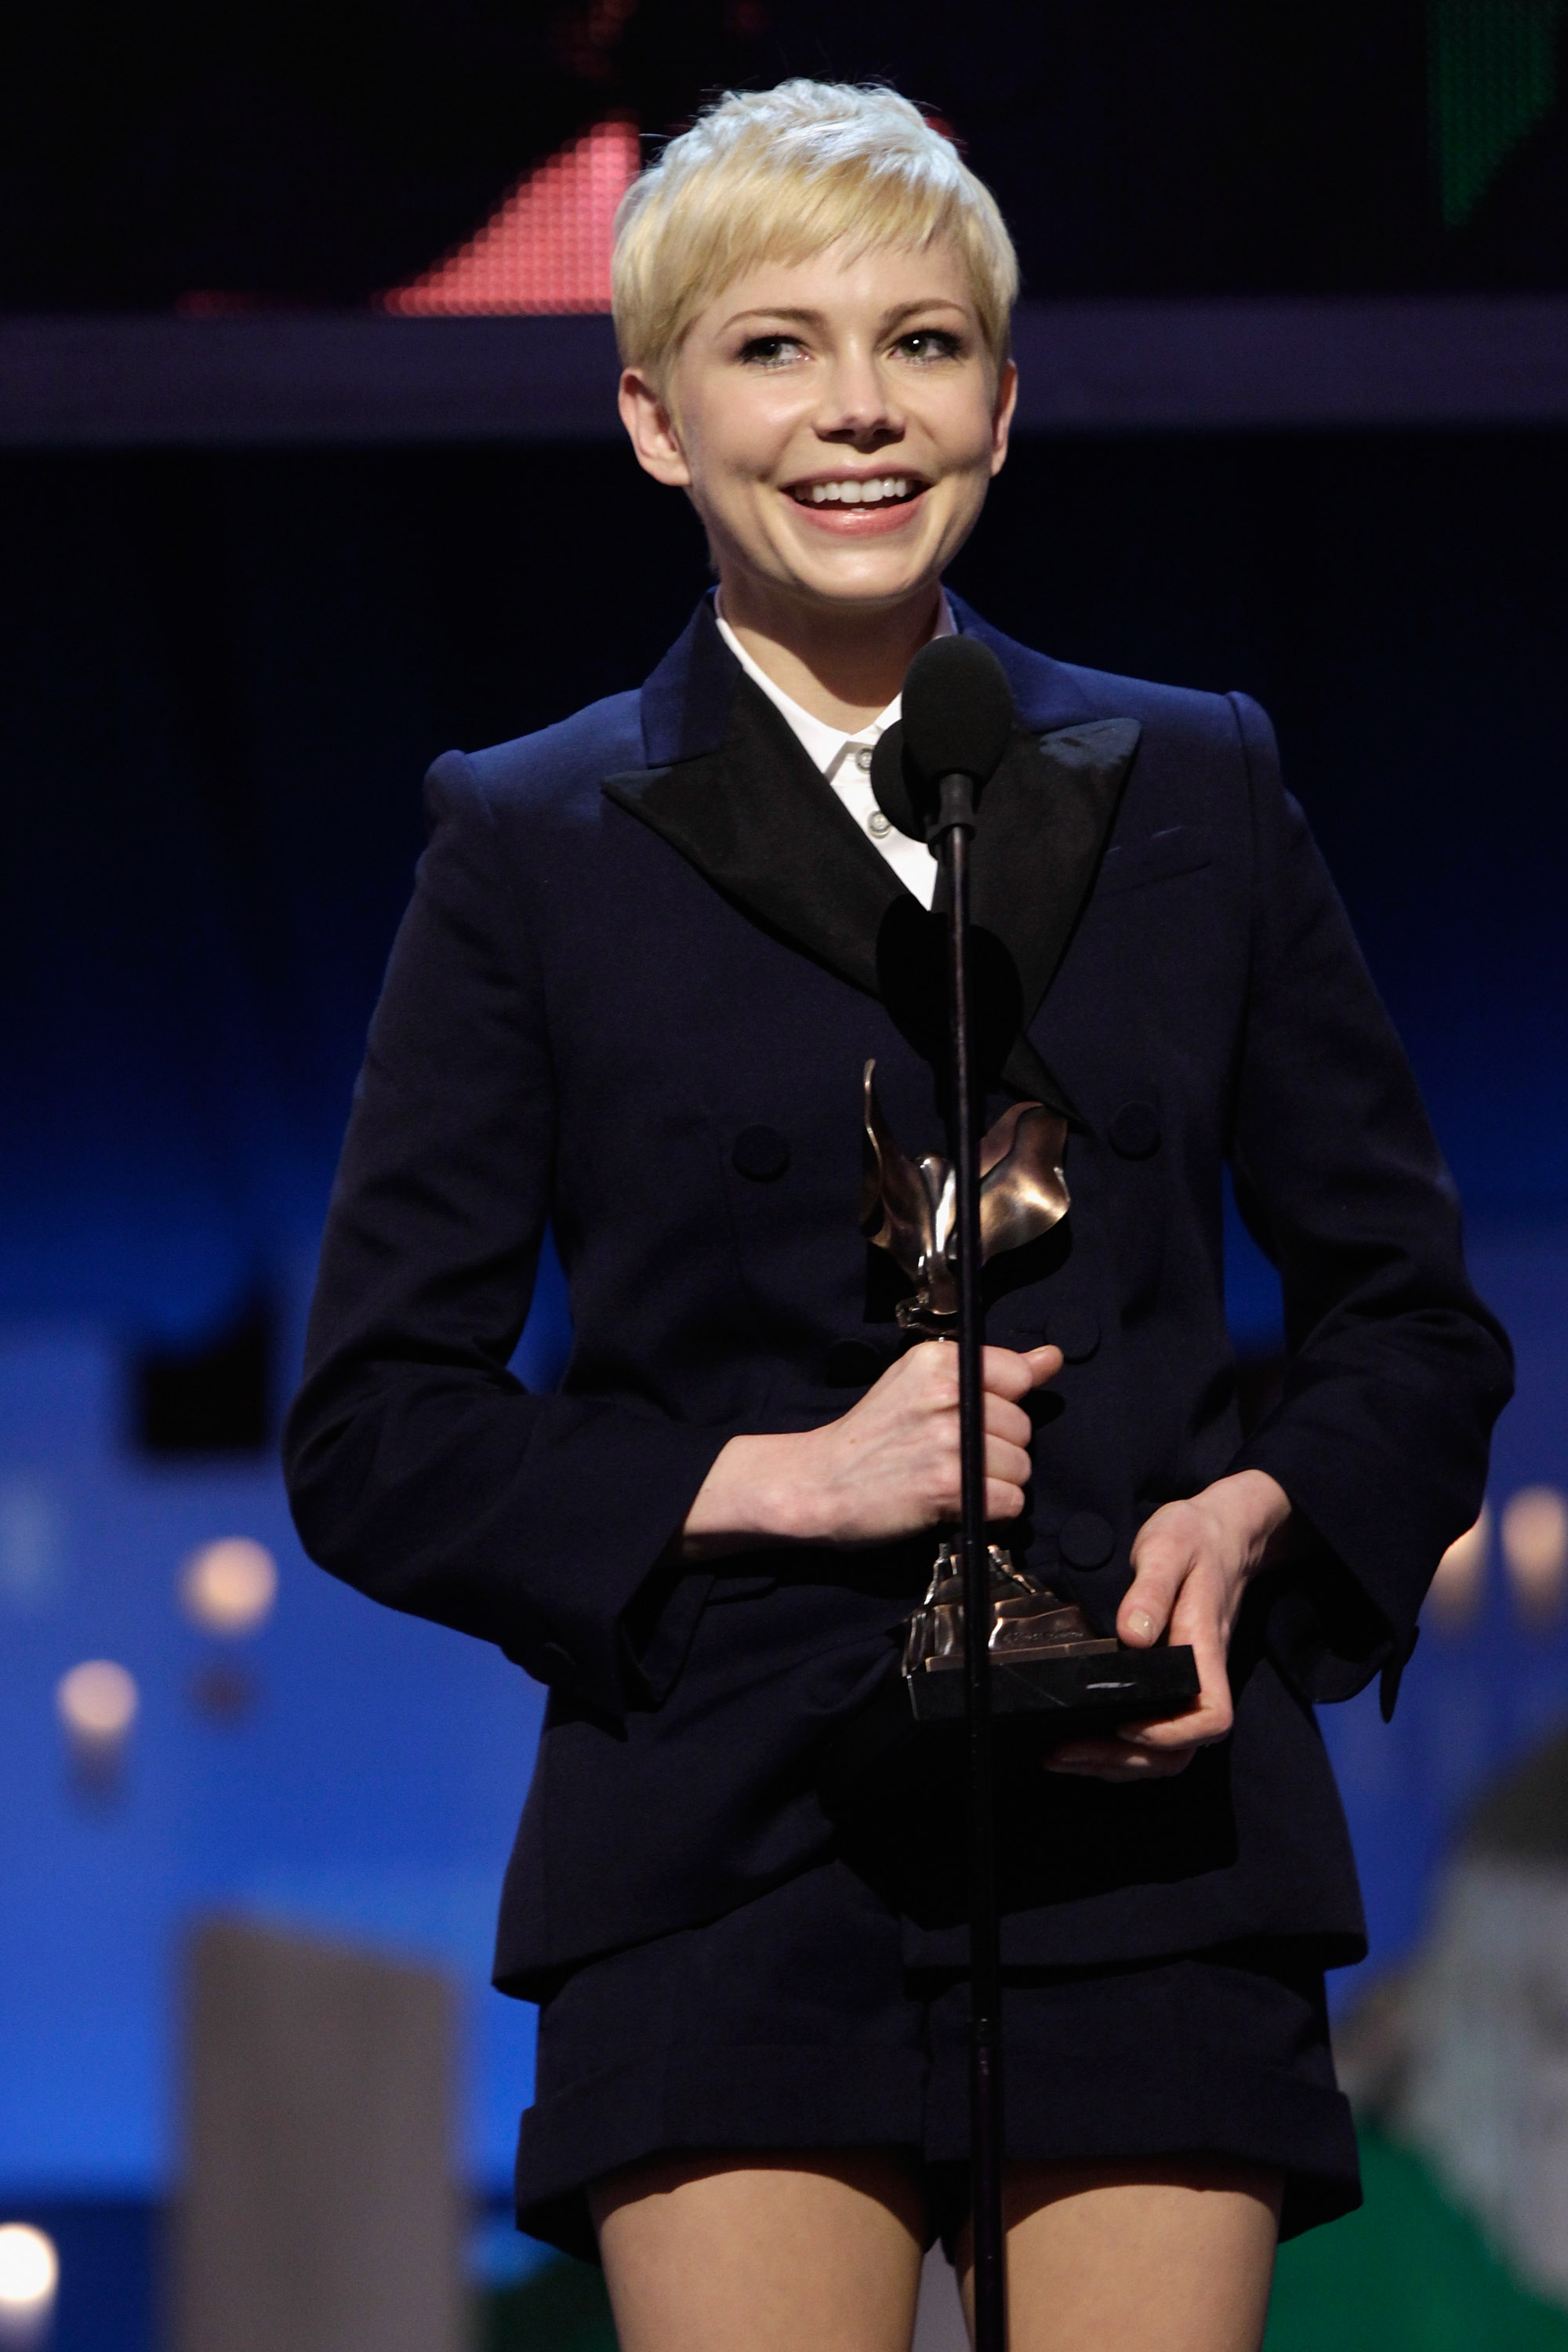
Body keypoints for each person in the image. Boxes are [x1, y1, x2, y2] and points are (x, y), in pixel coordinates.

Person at [284, 81, 1512, 2352]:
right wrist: (782, 1480)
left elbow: (1414, 1326)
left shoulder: (1198, 783)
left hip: (1151, 1816)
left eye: (922, 344)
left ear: (1002, 407)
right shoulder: (531, 840)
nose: (859, 408)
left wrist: (1252, 1523)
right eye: (776, 348)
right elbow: (376, 1429)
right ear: (655, 419)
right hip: (731, 1833)